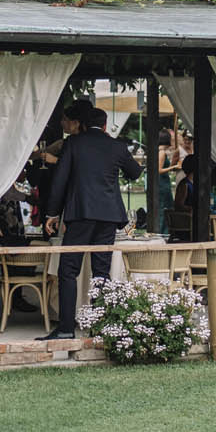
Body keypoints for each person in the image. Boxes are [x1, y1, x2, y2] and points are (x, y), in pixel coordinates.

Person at [40, 103, 142, 340]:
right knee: (101, 270)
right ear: (106, 125)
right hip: (108, 216)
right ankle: (99, 325)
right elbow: (136, 173)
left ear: (85, 124)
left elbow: (60, 180)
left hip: (81, 213)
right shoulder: (117, 146)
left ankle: (66, 328)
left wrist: (52, 213)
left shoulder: (74, 144)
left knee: (68, 269)